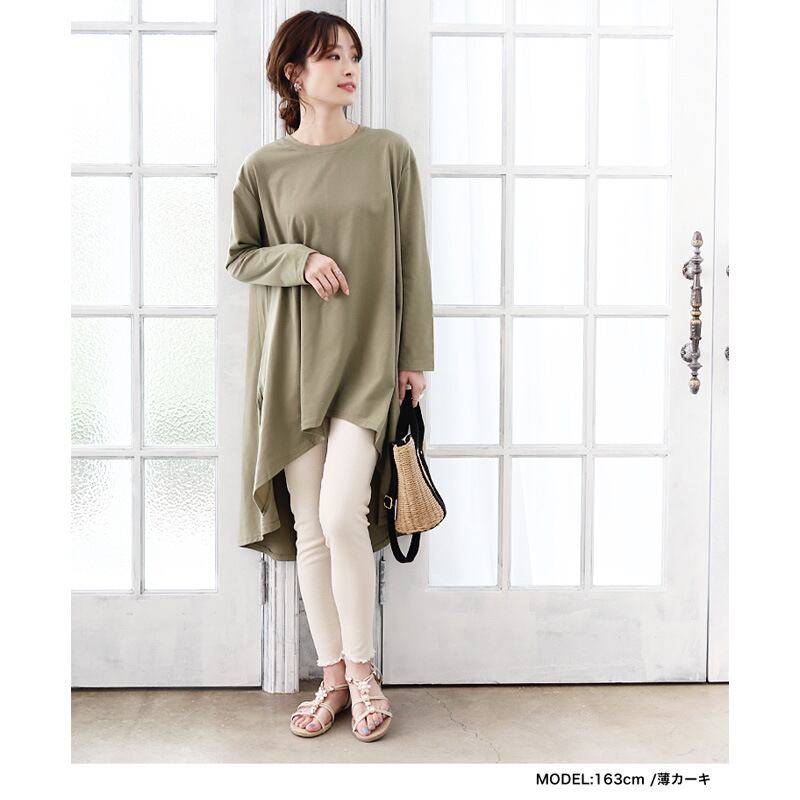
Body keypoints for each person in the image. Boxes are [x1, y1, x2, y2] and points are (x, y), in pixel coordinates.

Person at [224, 11, 435, 743]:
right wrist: (301, 258)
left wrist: (414, 357)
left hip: (367, 361)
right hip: (291, 366)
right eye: (331, 57)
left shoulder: (388, 154)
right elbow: (241, 256)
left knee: (344, 513)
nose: (349, 69)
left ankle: (366, 672)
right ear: (294, 73)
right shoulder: (263, 167)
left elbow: (412, 260)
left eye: (354, 56)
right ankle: (334, 677)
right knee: (312, 527)